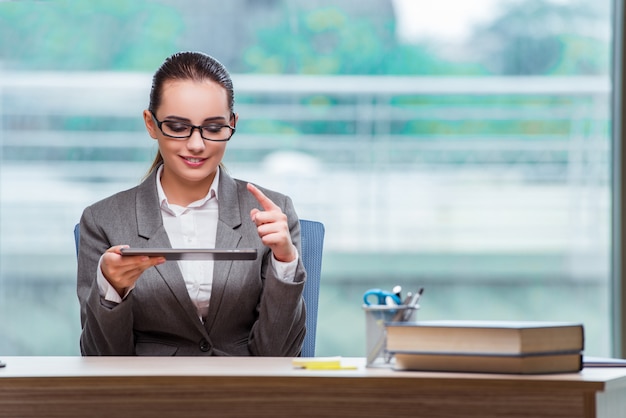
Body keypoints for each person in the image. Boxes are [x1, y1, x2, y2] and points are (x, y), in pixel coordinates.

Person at [77, 51, 306, 356]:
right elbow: (100, 358)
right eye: (177, 127)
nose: (197, 145)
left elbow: (279, 355)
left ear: (232, 124)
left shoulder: (273, 214)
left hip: (243, 393)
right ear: (150, 123)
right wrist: (112, 290)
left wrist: (285, 261)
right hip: (150, 395)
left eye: (213, 128)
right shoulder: (103, 221)